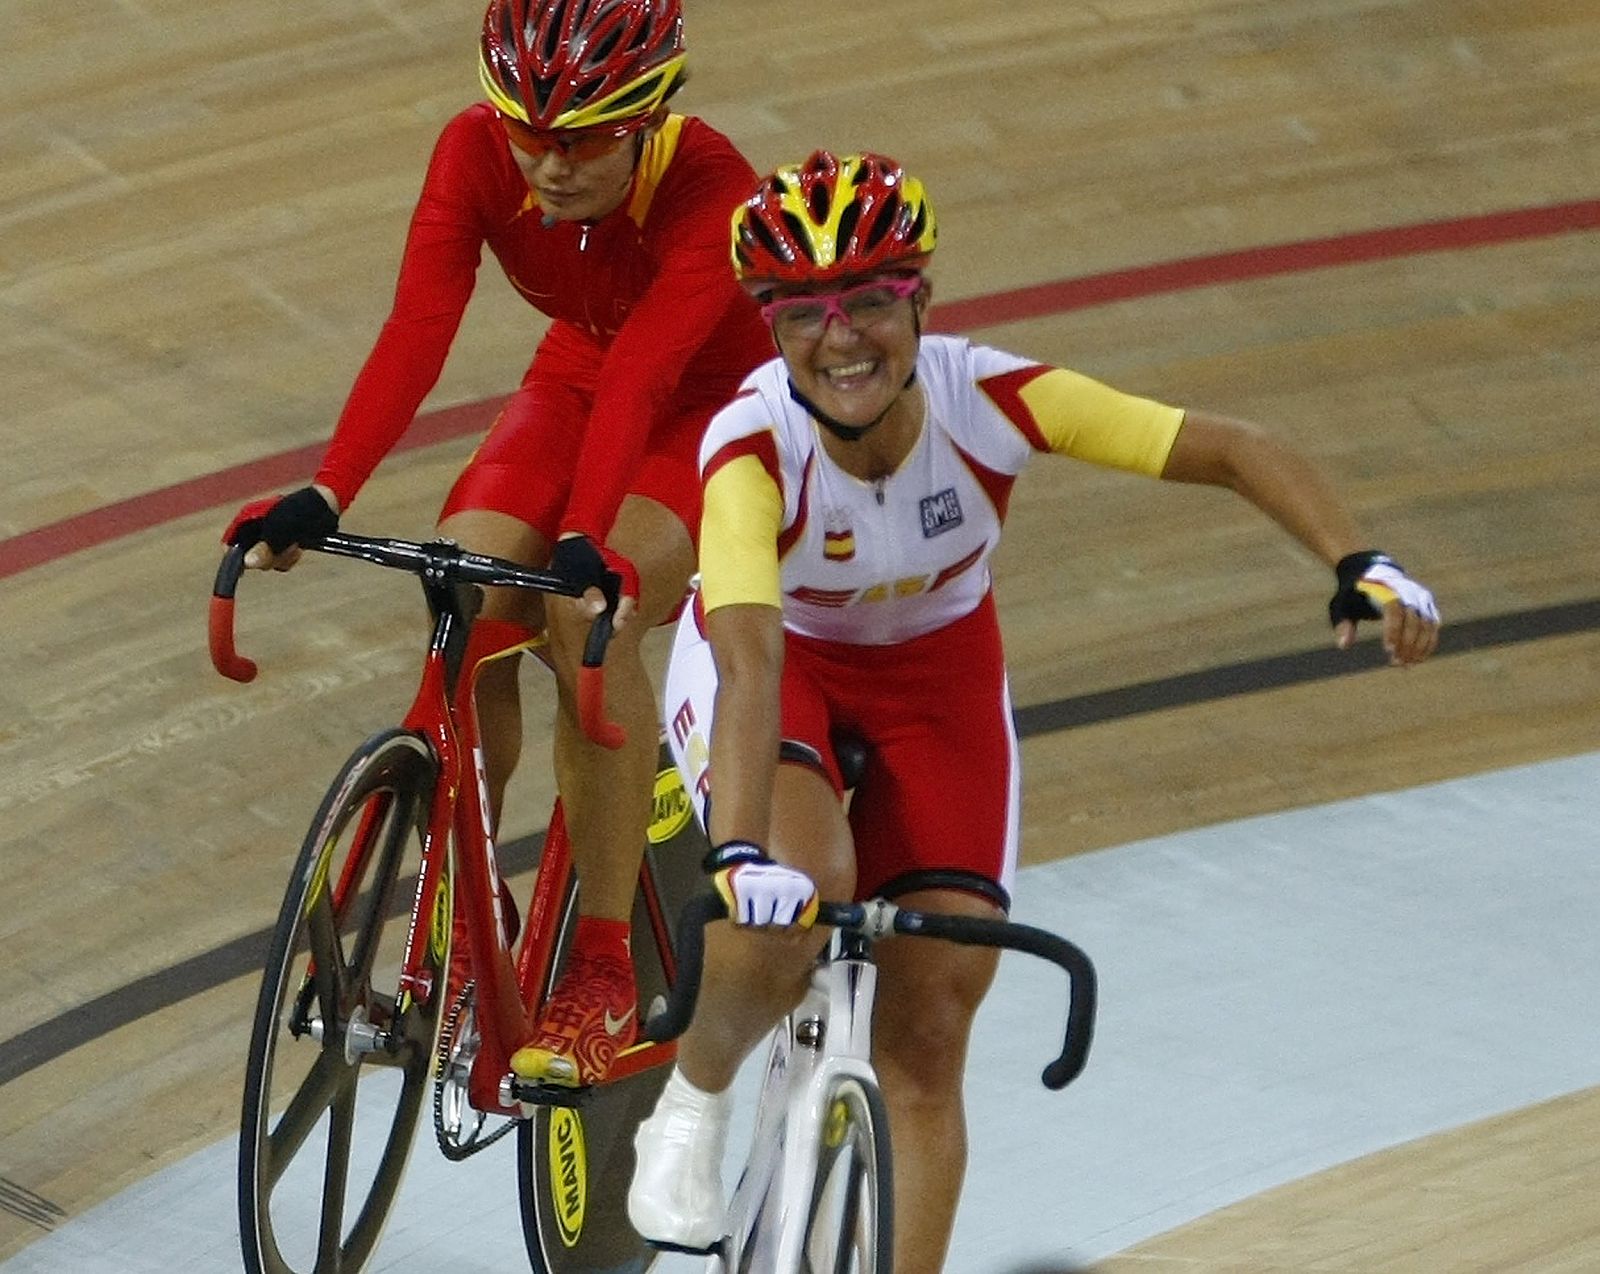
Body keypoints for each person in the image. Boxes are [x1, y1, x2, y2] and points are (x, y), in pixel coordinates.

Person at [624, 151, 1441, 1267]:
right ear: (769, 326)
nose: (842, 337)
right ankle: (696, 1097)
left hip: (937, 674)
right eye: (804, 312)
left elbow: (1232, 448)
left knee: (931, 1028)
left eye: (870, 300)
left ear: (920, 299)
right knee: (796, 894)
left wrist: (1359, 557)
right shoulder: (752, 447)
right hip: (782, 660)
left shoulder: (993, 398)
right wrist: (735, 851)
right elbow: (749, 653)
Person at [221, 0, 772, 1088]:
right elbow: (418, 325)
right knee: (460, 592)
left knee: (581, 617)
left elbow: (648, 378)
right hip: (577, 375)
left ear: (651, 116)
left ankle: (604, 961)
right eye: (530, 134)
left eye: (585, 140)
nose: (550, 167)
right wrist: (327, 490)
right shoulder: (475, 150)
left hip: (711, 404)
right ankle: (474, 909)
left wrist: (583, 542)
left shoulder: (715, 190)